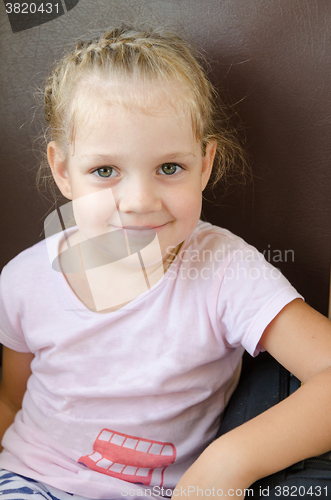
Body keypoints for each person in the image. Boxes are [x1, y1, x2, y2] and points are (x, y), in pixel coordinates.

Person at [0, 25, 331, 500]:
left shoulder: (225, 270)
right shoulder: (24, 280)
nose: (138, 201)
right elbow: (12, 398)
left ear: (206, 164)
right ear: (63, 171)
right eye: (104, 171)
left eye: (169, 168)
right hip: (29, 480)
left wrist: (229, 461)